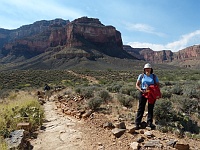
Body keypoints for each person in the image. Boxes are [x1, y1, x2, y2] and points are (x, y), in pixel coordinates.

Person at [135, 63, 160, 129]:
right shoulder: (141, 76)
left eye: (148, 68)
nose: (147, 70)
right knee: (141, 108)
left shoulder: (154, 76)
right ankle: (137, 123)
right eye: (146, 69)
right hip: (143, 92)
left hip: (151, 93)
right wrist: (141, 90)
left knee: (150, 108)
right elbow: (137, 85)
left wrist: (152, 88)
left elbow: (158, 85)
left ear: (151, 69)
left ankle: (149, 123)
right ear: (144, 69)